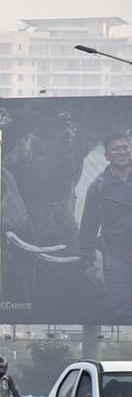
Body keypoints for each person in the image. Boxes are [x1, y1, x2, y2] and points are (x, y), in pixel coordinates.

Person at [79, 134, 132, 318]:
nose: (122, 151)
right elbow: (88, 227)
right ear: (107, 156)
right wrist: (87, 263)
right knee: (122, 307)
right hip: (116, 259)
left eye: (125, 147)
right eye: (116, 148)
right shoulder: (98, 187)